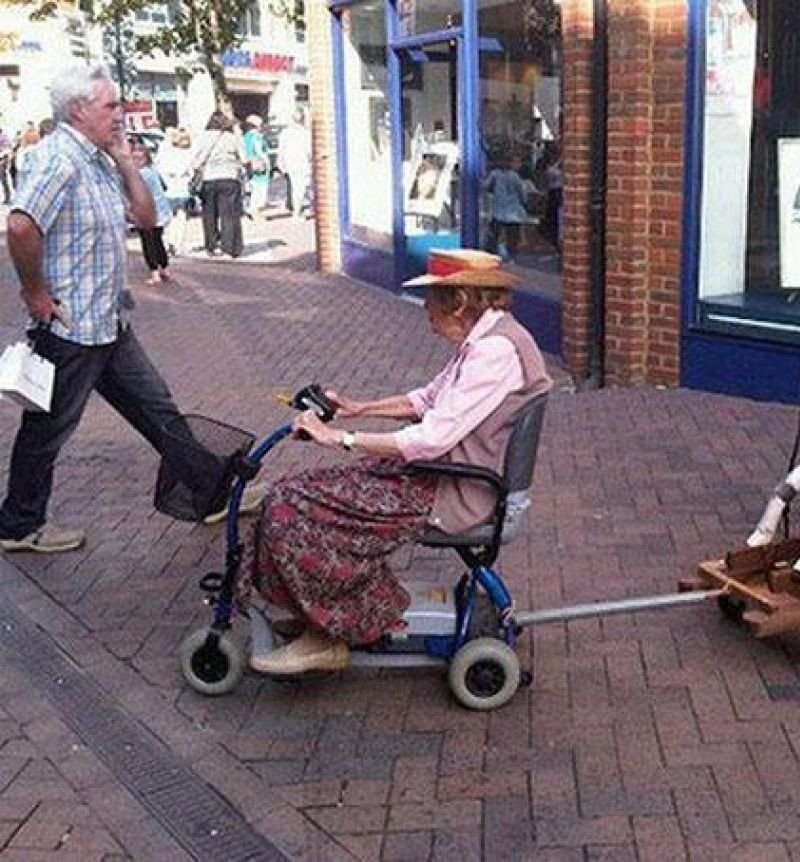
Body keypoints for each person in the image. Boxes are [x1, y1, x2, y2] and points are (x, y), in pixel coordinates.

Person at [241, 256, 552, 675]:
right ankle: (319, 613)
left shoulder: (494, 351)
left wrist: (340, 439)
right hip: (440, 474)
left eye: (430, 298)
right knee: (294, 491)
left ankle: (332, 633)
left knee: (292, 505)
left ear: (459, 301)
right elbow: (424, 400)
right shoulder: (487, 339)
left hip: (454, 489)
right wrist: (356, 409)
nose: (424, 307)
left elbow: (430, 439)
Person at [0, 64, 264, 554]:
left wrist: (125, 161)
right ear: (79, 110)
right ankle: (18, 525)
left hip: (109, 323)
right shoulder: (58, 158)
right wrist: (35, 292)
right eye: (112, 106)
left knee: (158, 411)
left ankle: (209, 493)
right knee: (48, 430)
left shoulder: (99, 158)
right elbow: (20, 226)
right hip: (71, 326)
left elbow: (146, 218)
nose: (122, 114)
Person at [189, 111, 245, 258]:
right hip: (229, 176)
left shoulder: (202, 137)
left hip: (208, 177)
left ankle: (211, 245)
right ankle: (229, 247)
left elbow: (194, 159)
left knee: (209, 214)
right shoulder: (232, 138)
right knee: (229, 214)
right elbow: (244, 158)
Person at [130, 140, 172, 284]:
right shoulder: (153, 171)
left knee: (148, 242)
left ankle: (154, 272)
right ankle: (165, 268)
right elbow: (164, 187)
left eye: (138, 158)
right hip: (161, 211)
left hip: (147, 212)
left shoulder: (139, 174)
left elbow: (136, 194)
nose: (136, 161)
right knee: (158, 241)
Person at [483, 153, 533, 261]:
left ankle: (493, 255)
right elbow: (522, 193)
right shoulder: (515, 176)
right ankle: (511, 257)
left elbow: (486, 186)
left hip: (498, 211)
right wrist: (525, 203)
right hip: (513, 212)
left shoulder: (494, 174)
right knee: (512, 237)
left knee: (495, 234)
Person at [154, 126, 194, 255]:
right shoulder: (188, 153)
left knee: (168, 218)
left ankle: (168, 243)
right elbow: (191, 171)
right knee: (181, 217)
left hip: (167, 188)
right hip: (183, 188)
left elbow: (158, 167)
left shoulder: (165, 152)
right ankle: (179, 244)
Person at [276, 108, 312, 219]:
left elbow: (281, 149)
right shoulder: (305, 133)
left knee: (296, 187)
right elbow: (309, 150)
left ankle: (298, 209)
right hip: (302, 163)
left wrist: (280, 163)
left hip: (290, 163)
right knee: (301, 187)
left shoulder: (285, 133)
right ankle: (297, 211)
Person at [242, 114, 271, 220]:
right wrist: (264, 162)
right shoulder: (255, 136)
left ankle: (253, 210)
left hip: (253, 165)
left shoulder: (247, 136)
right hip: (259, 165)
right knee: (260, 188)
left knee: (255, 188)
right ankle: (255, 211)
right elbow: (258, 151)